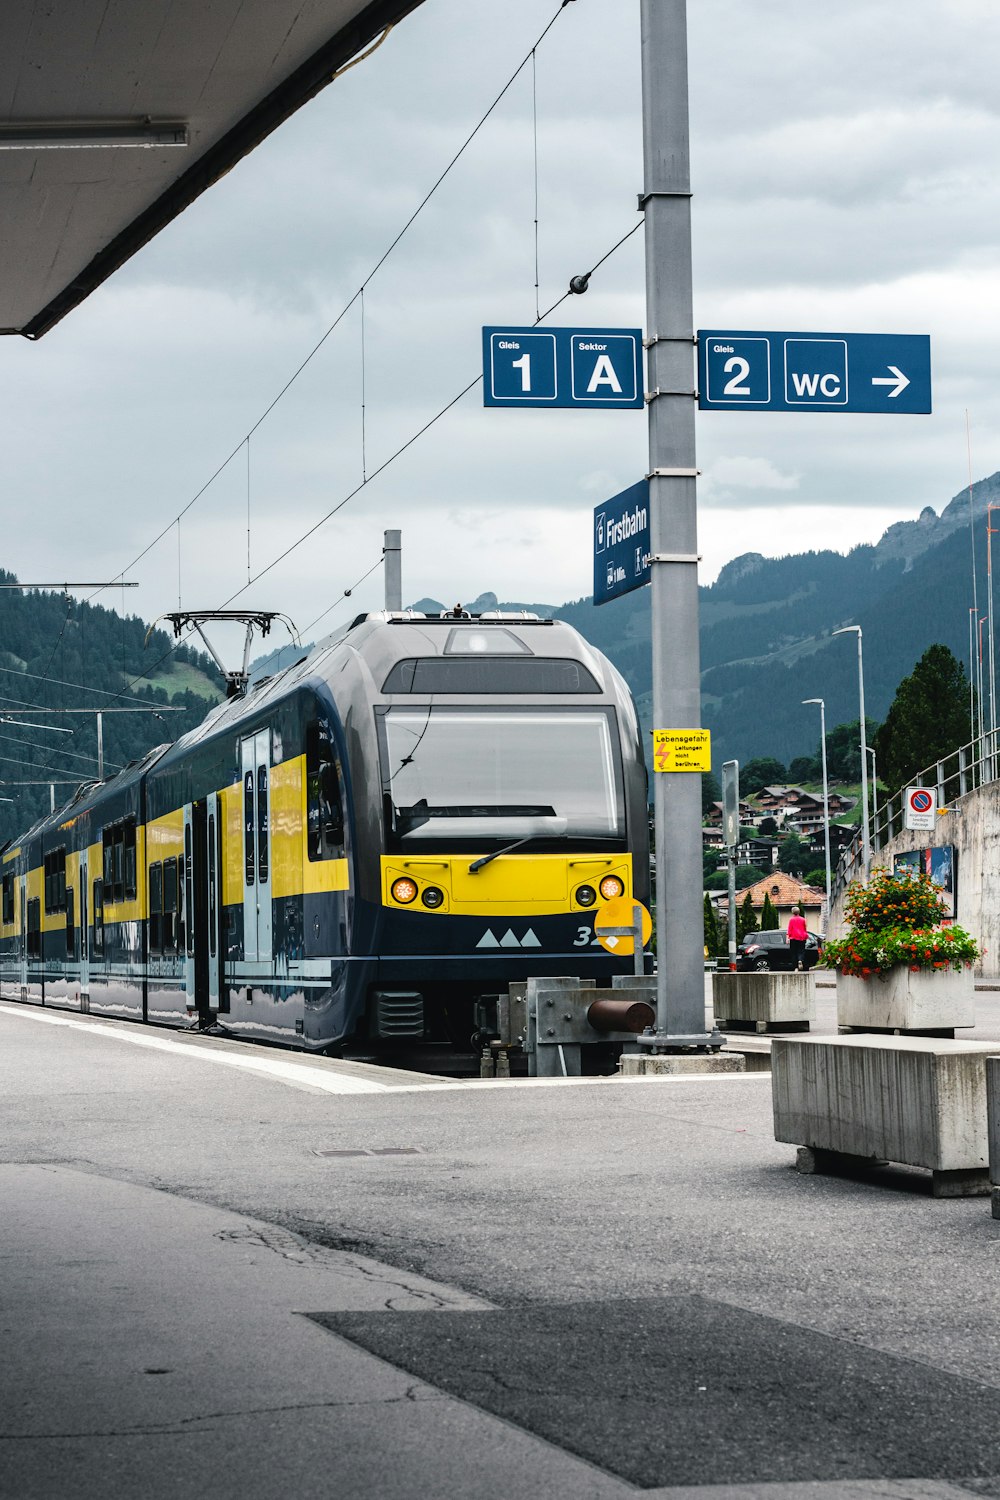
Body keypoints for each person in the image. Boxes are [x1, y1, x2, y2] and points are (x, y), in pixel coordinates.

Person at [787, 905, 808, 970]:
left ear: (793, 912)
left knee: (793, 952)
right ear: (799, 912)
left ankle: (795, 967)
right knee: (801, 951)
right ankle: (800, 960)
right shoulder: (803, 919)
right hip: (802, 937)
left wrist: (788, 937)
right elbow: (805, 928)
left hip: (793, 937)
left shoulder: (791, 920)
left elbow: (789, 929)